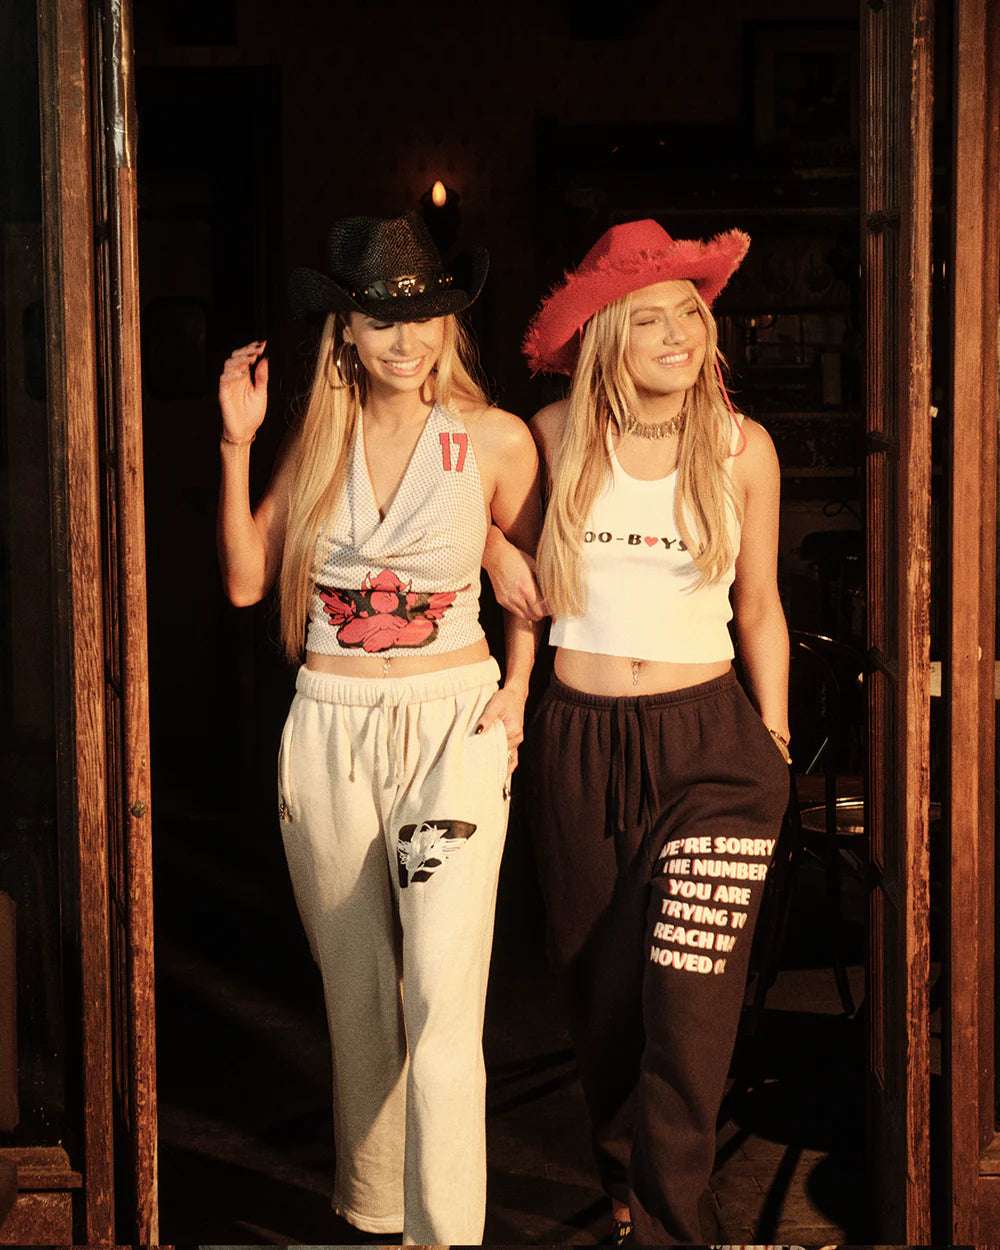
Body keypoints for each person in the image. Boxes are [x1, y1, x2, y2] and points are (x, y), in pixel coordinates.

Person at [216, 210, 540, 1245]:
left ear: (451, 323)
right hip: (331, 725)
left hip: (453, 725)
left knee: (441, 994)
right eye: (381, 321)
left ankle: (446, 1235)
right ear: (346, 333)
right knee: (359, 995)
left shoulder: (495, 439)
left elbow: (539, 587)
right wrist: (235, 444)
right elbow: (246, 581)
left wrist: (518, 691)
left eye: (426, 316)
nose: (407, 341)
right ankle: (375, 1213)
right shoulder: (318, 440)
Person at [484, 218, 792, 1244]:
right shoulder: (550, 434)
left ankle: (672, 1224)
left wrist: (773, 736)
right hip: (580, 741)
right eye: (652, 317)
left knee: (691, 1009)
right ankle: (624, 1182)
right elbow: (451, 491)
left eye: (690, 316)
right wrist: (493, 547)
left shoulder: (743, 448)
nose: (678, 335)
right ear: (610, 334)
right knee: (603, 996)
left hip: (713, 751)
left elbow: (759, 606)